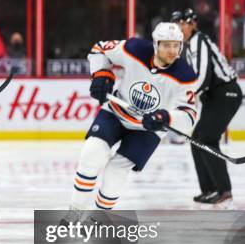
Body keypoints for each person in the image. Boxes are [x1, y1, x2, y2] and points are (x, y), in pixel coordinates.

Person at [66, 22, 197, 213]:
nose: (171, 50)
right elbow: (100, 49)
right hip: (116, 113)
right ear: (156, 44)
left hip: (148, 129)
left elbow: (189, 115)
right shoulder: (134, 49)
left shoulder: (185, 76)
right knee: (91, 154)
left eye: (176, 45)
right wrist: (101, 75)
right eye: (166, 45)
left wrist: (166, 117)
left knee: (116, 171)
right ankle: (75, 213)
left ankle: (100, 218)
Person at [172, 8, 242, 206]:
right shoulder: (189, 45)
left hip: (226, 93)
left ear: (192, 24)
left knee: (207, 139)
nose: (178, 28)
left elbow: (202, 76)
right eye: (176, 24)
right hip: (213, 96)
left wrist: (186, 96)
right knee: (197, 140)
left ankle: (224, 190)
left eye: (181, 24)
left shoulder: (199, 41)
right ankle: (210, 189)